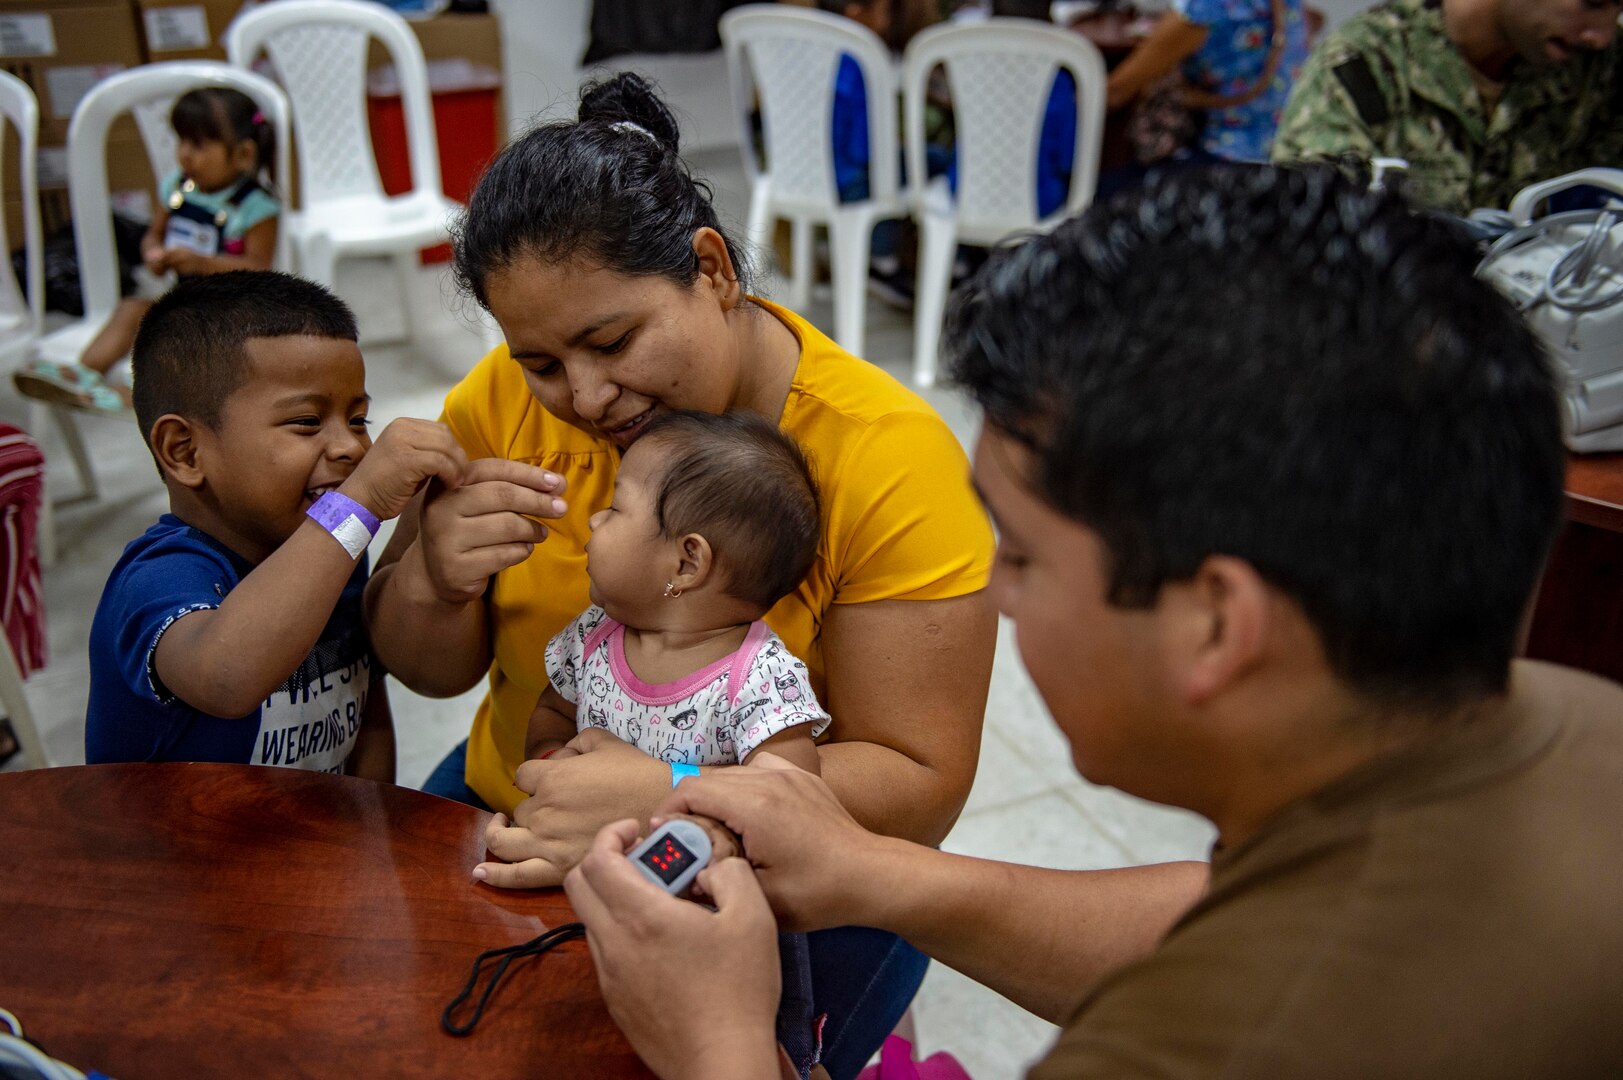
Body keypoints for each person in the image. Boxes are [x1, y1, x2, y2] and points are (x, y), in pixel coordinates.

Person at [560, 165, 1623, 1078]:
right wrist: (882, 874)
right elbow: (1229, 918)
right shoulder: (1566, 722)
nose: (1000, 596)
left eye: (1019, 554)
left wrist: (719, 1043)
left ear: (1217, 624)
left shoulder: (1197, 1051)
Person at [361, 72, 997, 1077]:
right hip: (516, 810)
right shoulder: (504, 402)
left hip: (776, 885)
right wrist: (433, 579)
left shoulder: (885, 458)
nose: (584, 395)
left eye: (612, 341)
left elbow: (918, 784)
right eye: (541, 363)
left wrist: (672, 792)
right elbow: (427, 669)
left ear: (711, 269)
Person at [514, 408, 829, 1076]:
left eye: (614, 510)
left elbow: (787, 804)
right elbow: (551, 710)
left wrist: (712, 832)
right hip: (591, 880)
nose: (593, 522)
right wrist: (552, 763)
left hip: (718, 930)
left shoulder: (759, 681)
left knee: (766, 1046)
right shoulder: (595, 635)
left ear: (685, 561)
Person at [85, 271, 464, 778]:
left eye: (358, 420)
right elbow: (227, 678)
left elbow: (366, 715)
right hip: (171, 857)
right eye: (307, 421)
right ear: (185, 450)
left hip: (317, 850)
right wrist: (358, 503)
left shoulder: (335, 554)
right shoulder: (160, 577)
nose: (352, 447)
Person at [15, 87, 281, 415]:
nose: (184, 154)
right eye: (181, 141)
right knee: (133, 309)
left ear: (242, 154)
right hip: (184, 299)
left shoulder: (257, 207)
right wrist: (154, 254)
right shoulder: (177, 189)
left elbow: (259, 269)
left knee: (180, 338)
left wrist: (201, 263)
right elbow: (153, 236)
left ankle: (138, 394)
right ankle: (83, 375)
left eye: (197, 145)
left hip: (234, 312)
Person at [1271, 0, 1623, 216]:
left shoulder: (1600, 69)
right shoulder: (1368, 62)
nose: (1601, 35)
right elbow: (1314, 226)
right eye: (1592, 3)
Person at [1104, 0, 1310, 166]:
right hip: (1290, 152)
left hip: (1229, 158)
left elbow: (1113, 94)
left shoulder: (1201, 8)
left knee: (1102, 192)